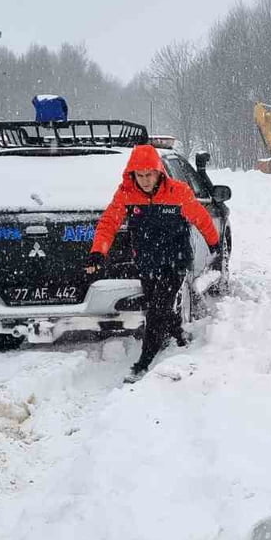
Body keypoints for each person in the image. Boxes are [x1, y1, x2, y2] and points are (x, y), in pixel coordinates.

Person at [86, 143, 220, 383]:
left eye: (150, 175)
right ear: (132, 175)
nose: (145, 180)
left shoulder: (178, 192)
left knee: (157, 309)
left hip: (175, 261)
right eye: (140, 175)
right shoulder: (126, 194)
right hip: (147, 262)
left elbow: (201, 217)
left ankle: (143, 362)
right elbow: (109, 223)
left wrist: (214, 242)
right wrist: (98, 252)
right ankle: (178, 335)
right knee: (159, 306)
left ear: (159, 172)